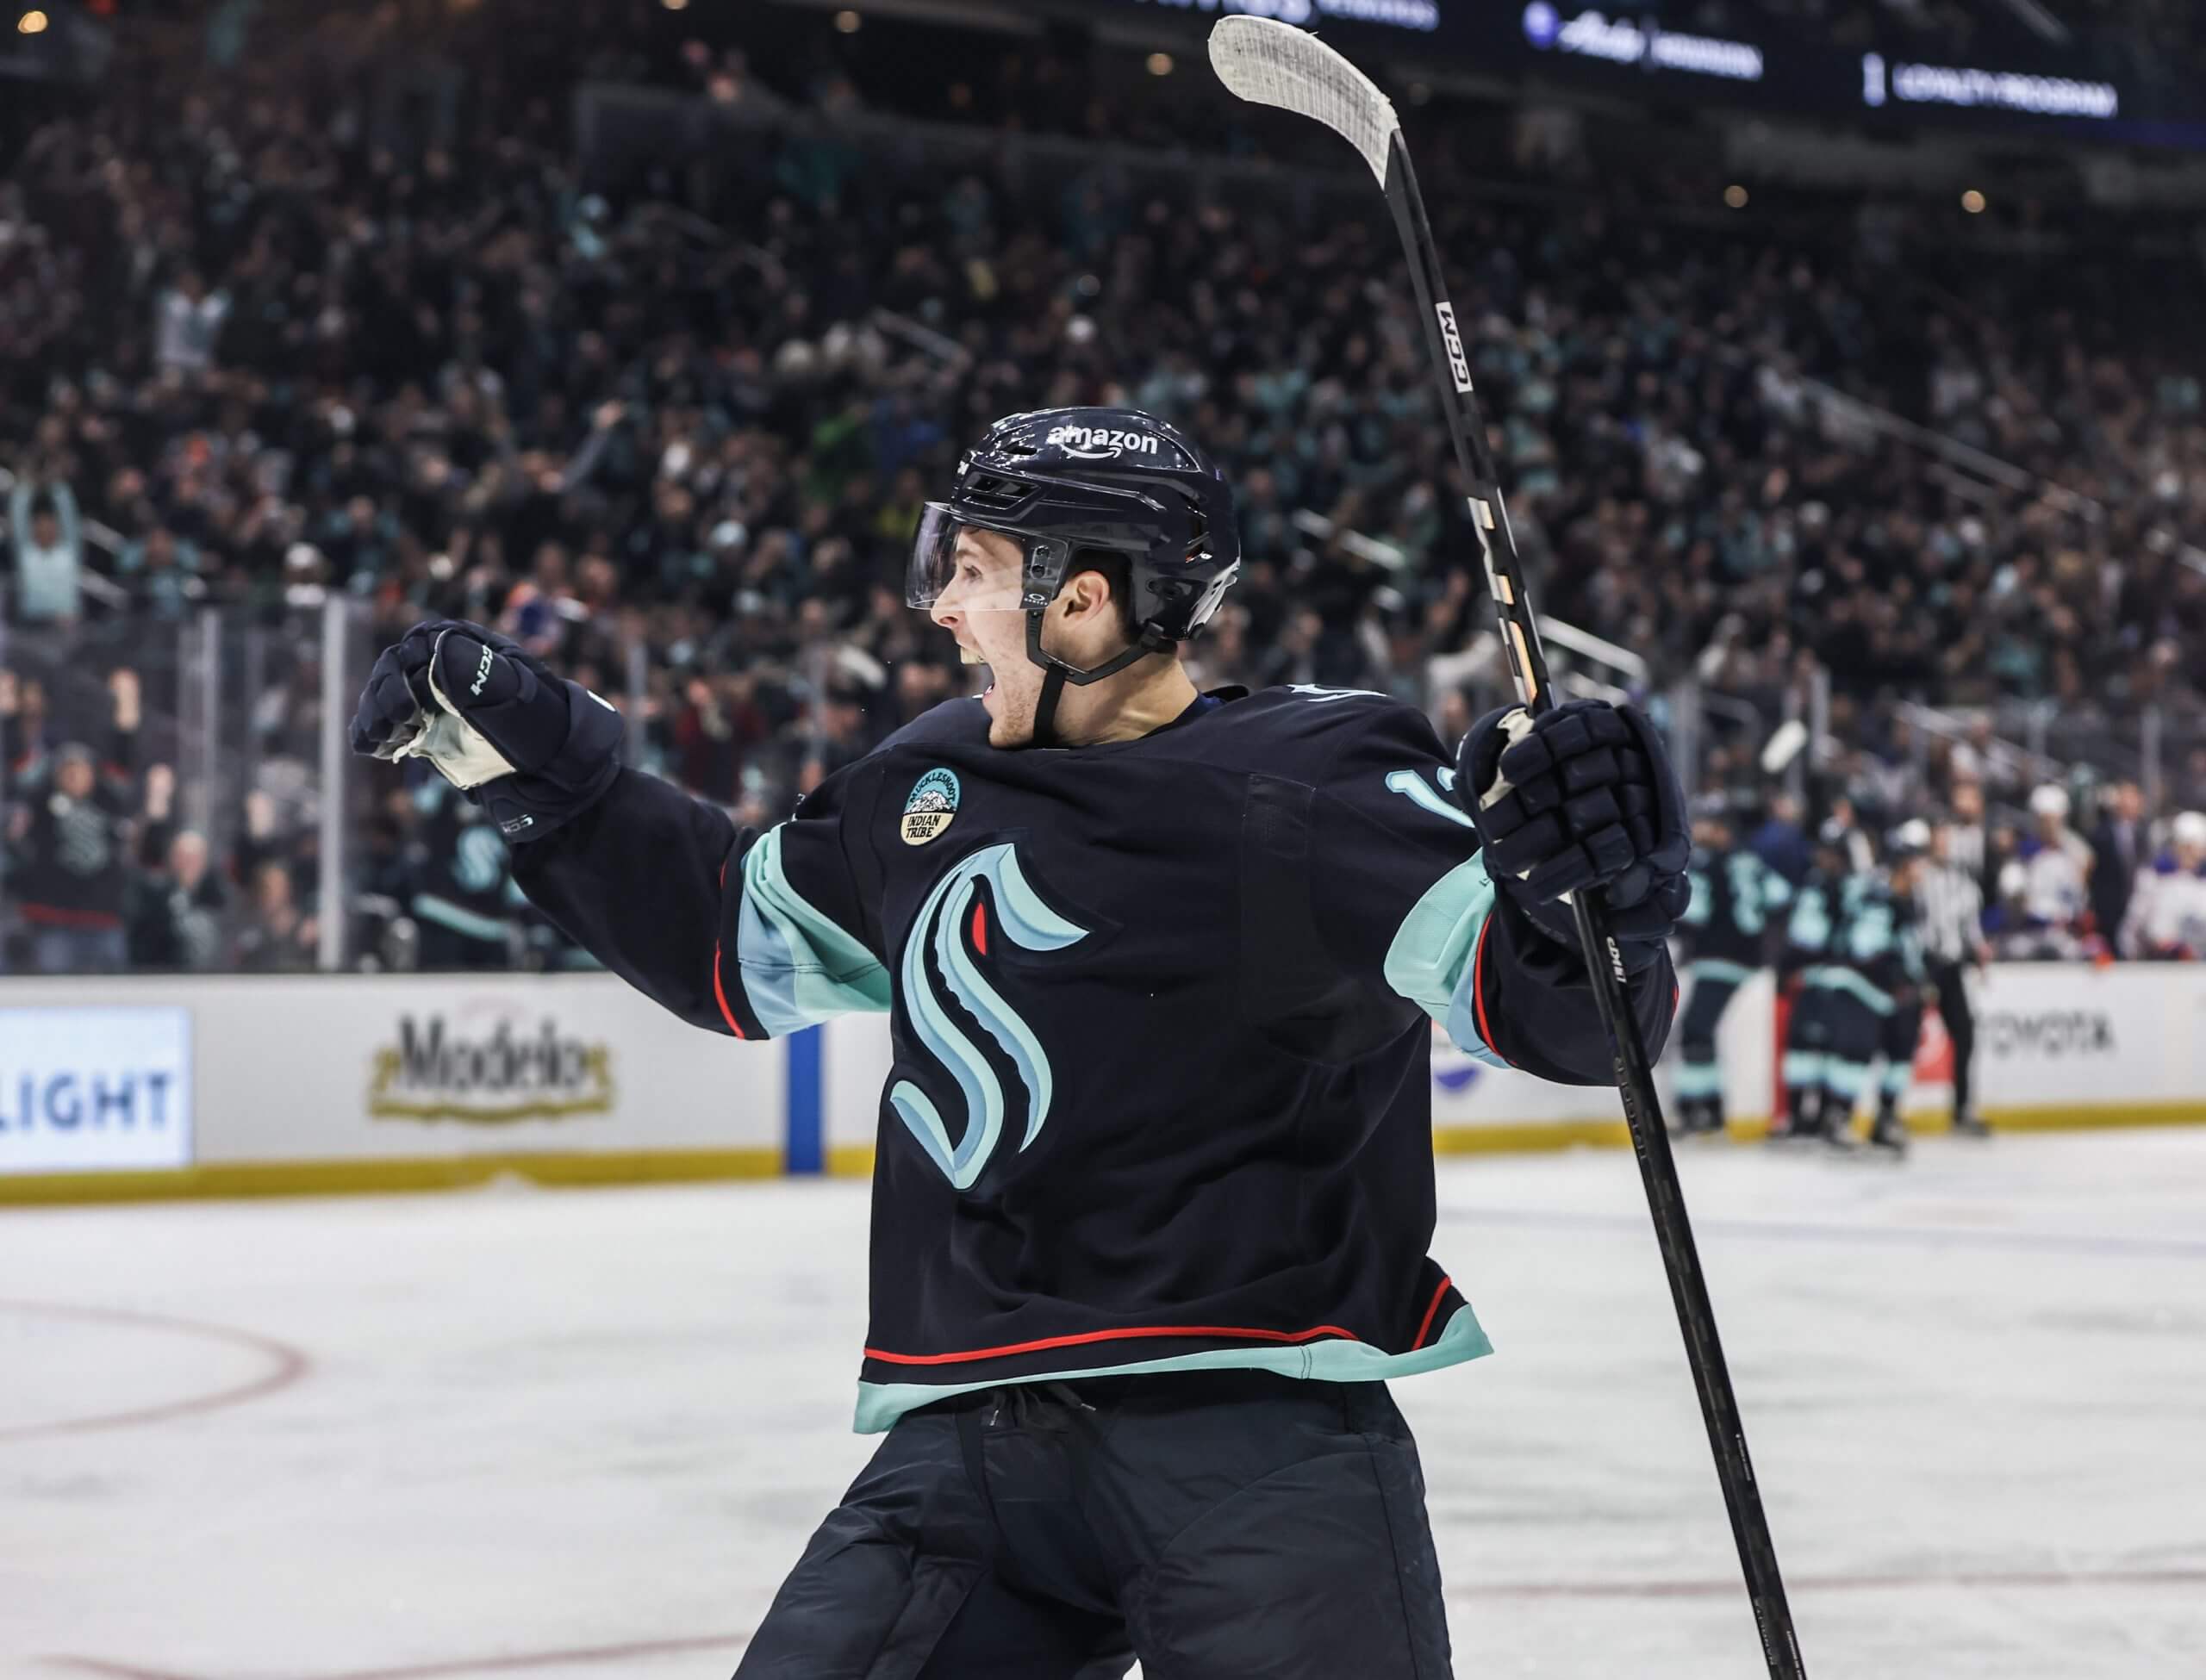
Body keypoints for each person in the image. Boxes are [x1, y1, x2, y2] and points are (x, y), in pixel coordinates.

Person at [349, 406, 1688, 1678]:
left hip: (1261, 1437)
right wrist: (555, 783)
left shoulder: (1313, 783)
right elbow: (723, 942)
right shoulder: (924, 787)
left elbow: (1565, 1020)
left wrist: (1597, 899)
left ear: (1085, 599)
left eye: (974, 568)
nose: (939, 605)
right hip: (971, 1447)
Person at [3, 669, 140, 972]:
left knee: (113, 1003)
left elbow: (125, 752)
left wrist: (127, 700)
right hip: (54, 919)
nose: (74, 775)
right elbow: (20, 762)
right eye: (67, 769)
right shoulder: (42, 802)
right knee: (55, 999)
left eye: (81, 769)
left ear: (93, 774)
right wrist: (8, 711)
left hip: (103, 916)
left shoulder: (108, 800)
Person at [1673, 796, 1791, 1136]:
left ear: (1723, 829)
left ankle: (1701, 1111)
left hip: (1717, 958)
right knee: (1699, 1031)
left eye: (1708, 824)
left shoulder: (1709, 864)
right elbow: (1782, 897)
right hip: (1743, 958)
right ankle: (1708, 1109)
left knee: (1696, 1031)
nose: (1701, 830)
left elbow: (1691, 915)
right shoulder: (1750, 861)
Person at [1916, 814, 1991, 1136]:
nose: (1944, 846)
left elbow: (1971, 929)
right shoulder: (1919, 877)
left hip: (1951, 967)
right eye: (1939, 838)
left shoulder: (1965, 885)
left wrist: (1979, 951)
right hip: (1921, 964)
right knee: (1901, 1036)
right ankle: (1883, 1109)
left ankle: (1961, 1107)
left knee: (1965, 1034)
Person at [2119, 810, 2206, 960]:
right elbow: (2136, 924)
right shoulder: (2154, 877)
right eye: (2194, 847)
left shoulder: (2201, 879)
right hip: (2158, 963)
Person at [2089, 781, 2147, 948]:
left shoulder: (2144, 833)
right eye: (2125, 797)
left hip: (2137, 904)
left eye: (2133, 798)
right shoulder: (2101, 834)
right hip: (2109, 908)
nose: (2129, 803)